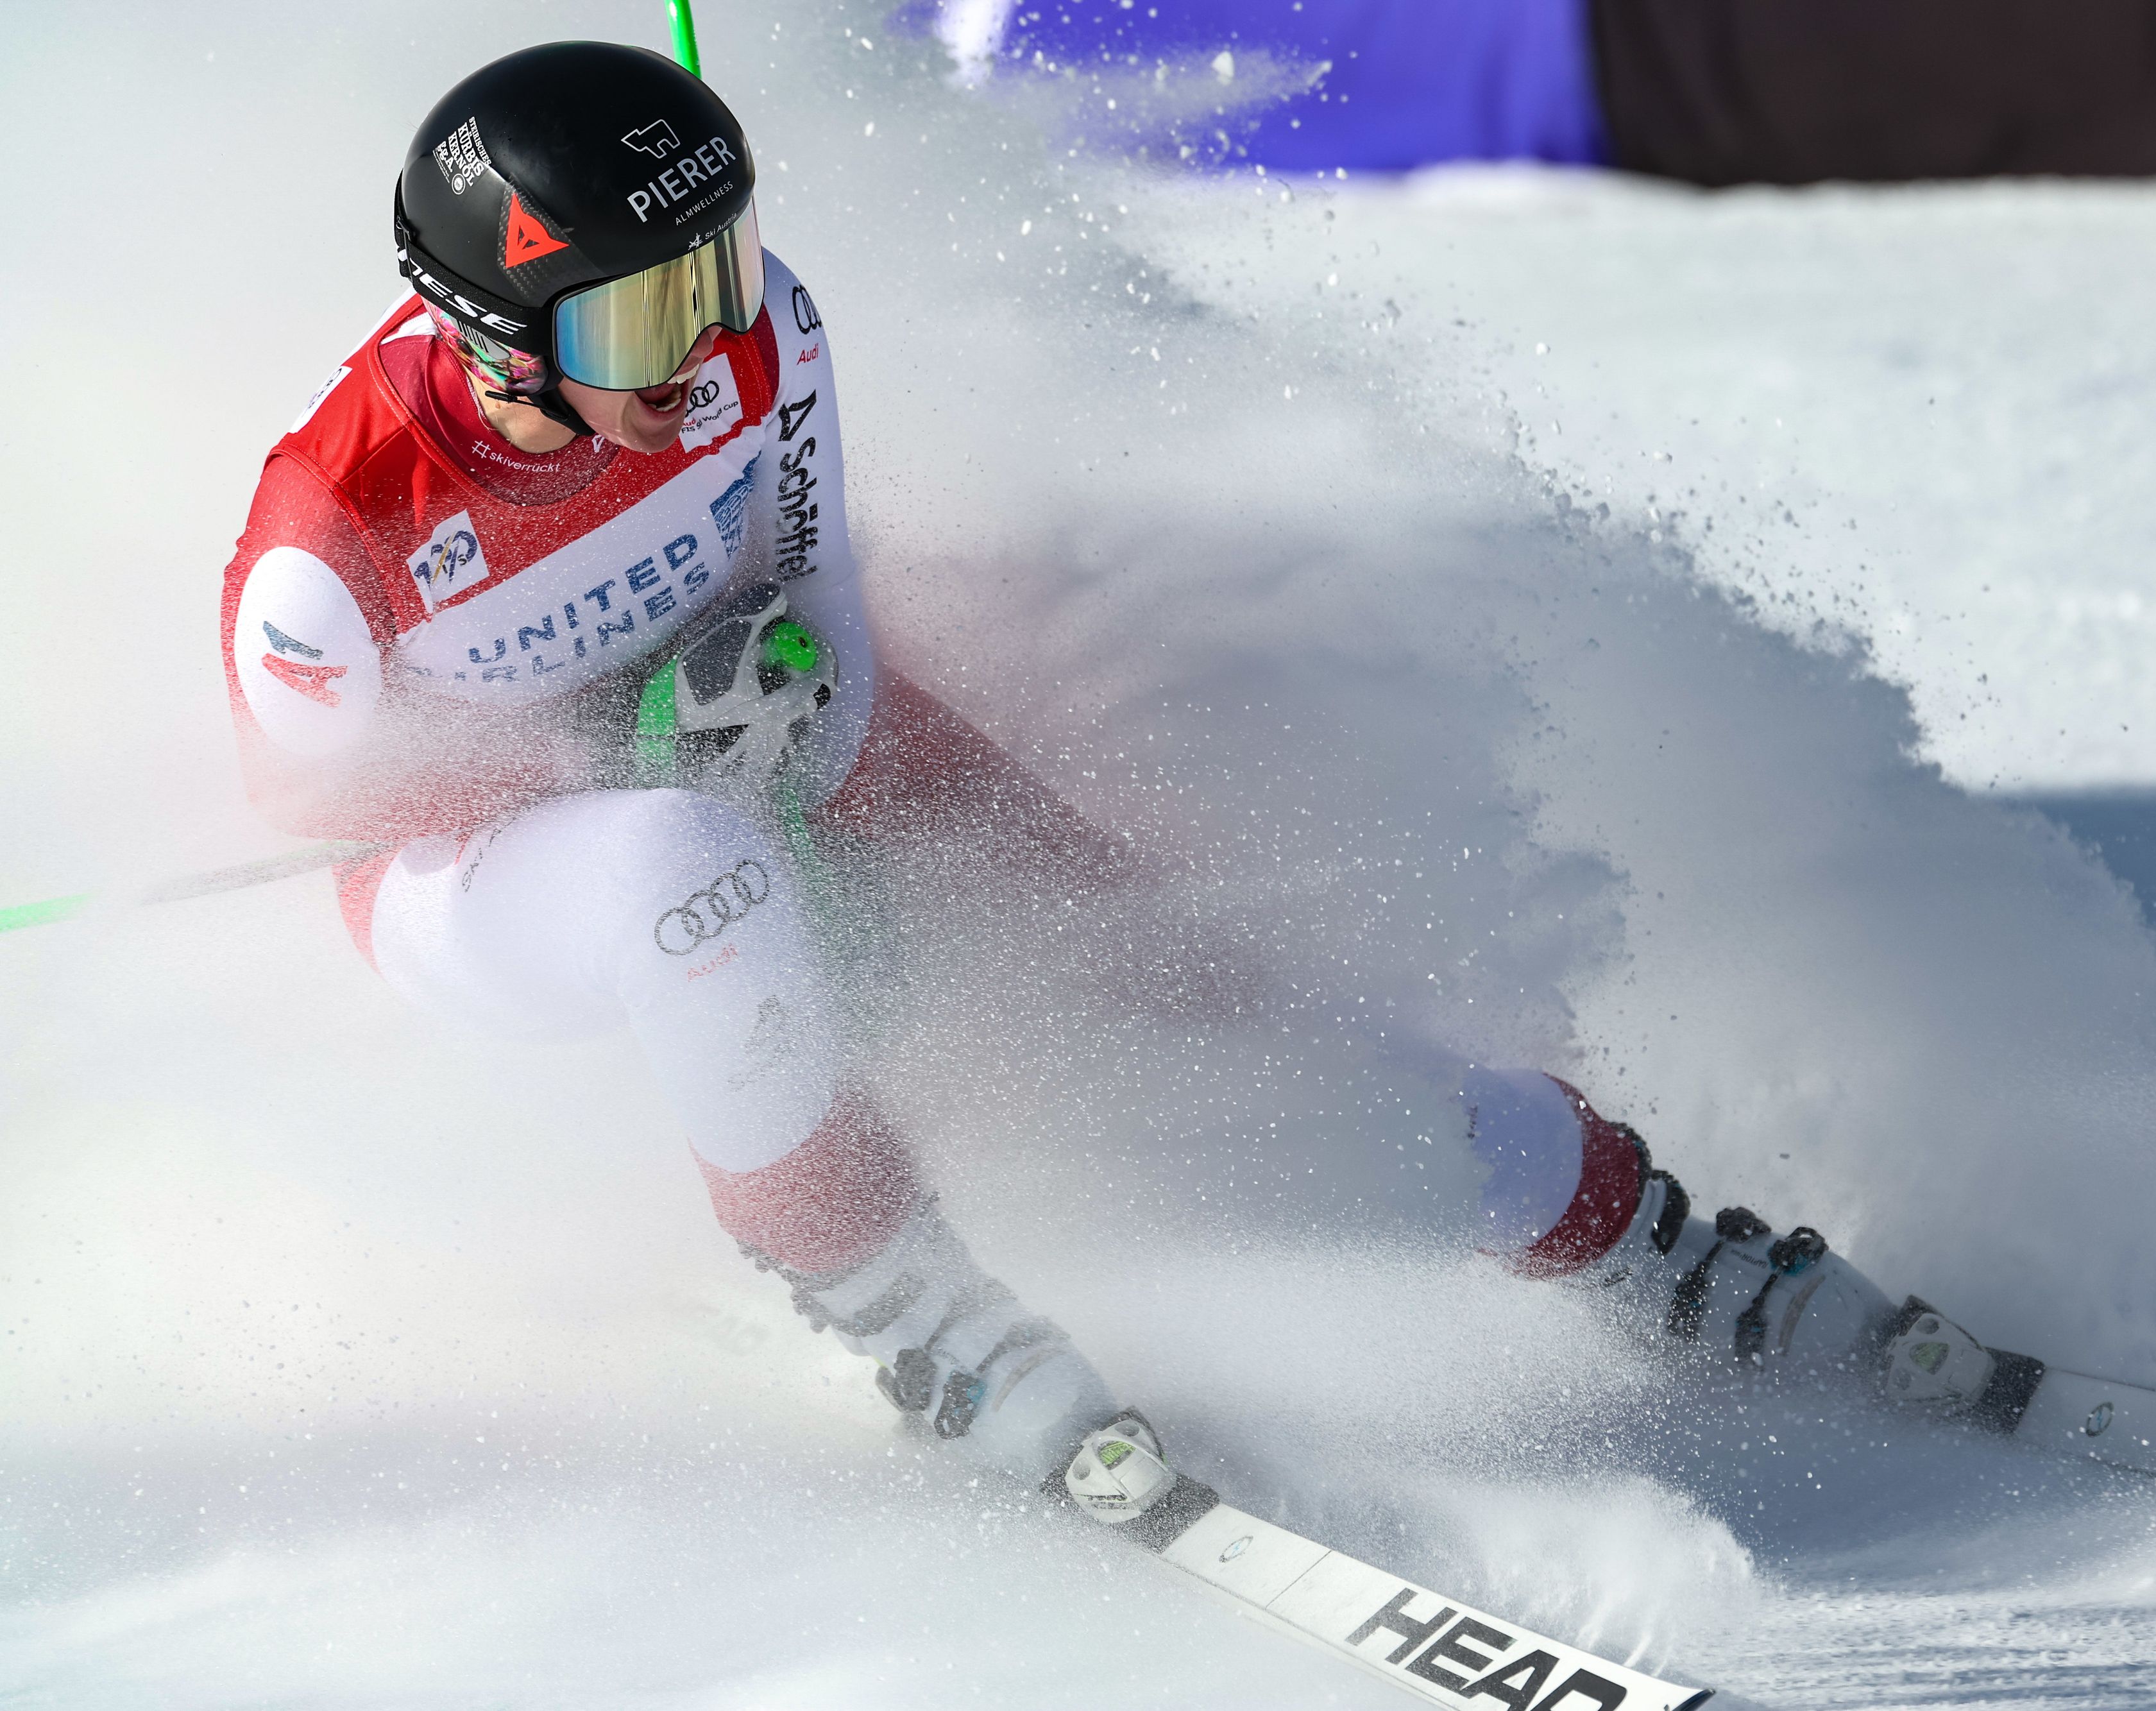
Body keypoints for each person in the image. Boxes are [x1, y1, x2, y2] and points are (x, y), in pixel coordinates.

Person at [219, 40, 1996, 1521]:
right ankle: (893, 1296)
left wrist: (780, 720)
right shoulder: (331, 553)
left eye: (721, 277)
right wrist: (619, 756)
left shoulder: (764, 348)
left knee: (1172, 987)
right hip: (504, 885)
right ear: (500, 332)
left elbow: (830, 612)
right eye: (642, 319)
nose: (698, 354)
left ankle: (1612, 1217)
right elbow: (329, 816)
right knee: (685, 865)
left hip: (780, 738)